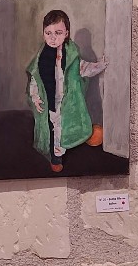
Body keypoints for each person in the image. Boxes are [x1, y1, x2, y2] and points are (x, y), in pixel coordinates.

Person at [26, 9, 107, 173]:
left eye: (58, 33)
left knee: (68, 124)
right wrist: (35, 97)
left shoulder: (71, 54)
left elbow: (83, 68)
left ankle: (82, 137)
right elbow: (34, 78)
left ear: (66, 34)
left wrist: (100, 66)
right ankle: (56, 157)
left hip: (68, 99)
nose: (53, 38)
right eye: (48, 33)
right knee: (54, 128)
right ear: (43, 34)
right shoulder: (41, 57)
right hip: (50, 100)